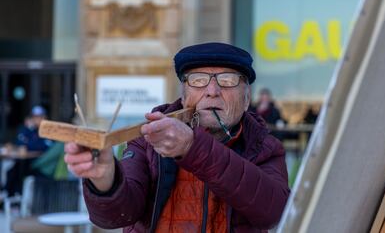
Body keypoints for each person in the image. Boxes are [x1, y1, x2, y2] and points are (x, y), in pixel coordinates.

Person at [64, 42, 290, 232]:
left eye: (228, 80)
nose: (212, 91)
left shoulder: (264, 146)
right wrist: (104, 179)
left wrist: (193, 148)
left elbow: (276, 214)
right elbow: (117, 216)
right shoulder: (148, 139)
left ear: (247, 97)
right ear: (184, 96)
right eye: (198, 80)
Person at [4, 105, 53, 195]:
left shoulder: (49, 131)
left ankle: (14, 196)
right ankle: (10, 196)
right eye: (34, 117)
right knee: (12, 170)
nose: (36, 120)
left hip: (43, 165)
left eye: (39, 117)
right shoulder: (31, 130)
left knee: (18, 170)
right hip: (30, 162)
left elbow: (43, 146)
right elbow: (20, 141)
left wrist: (26, 146)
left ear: (45, 117)